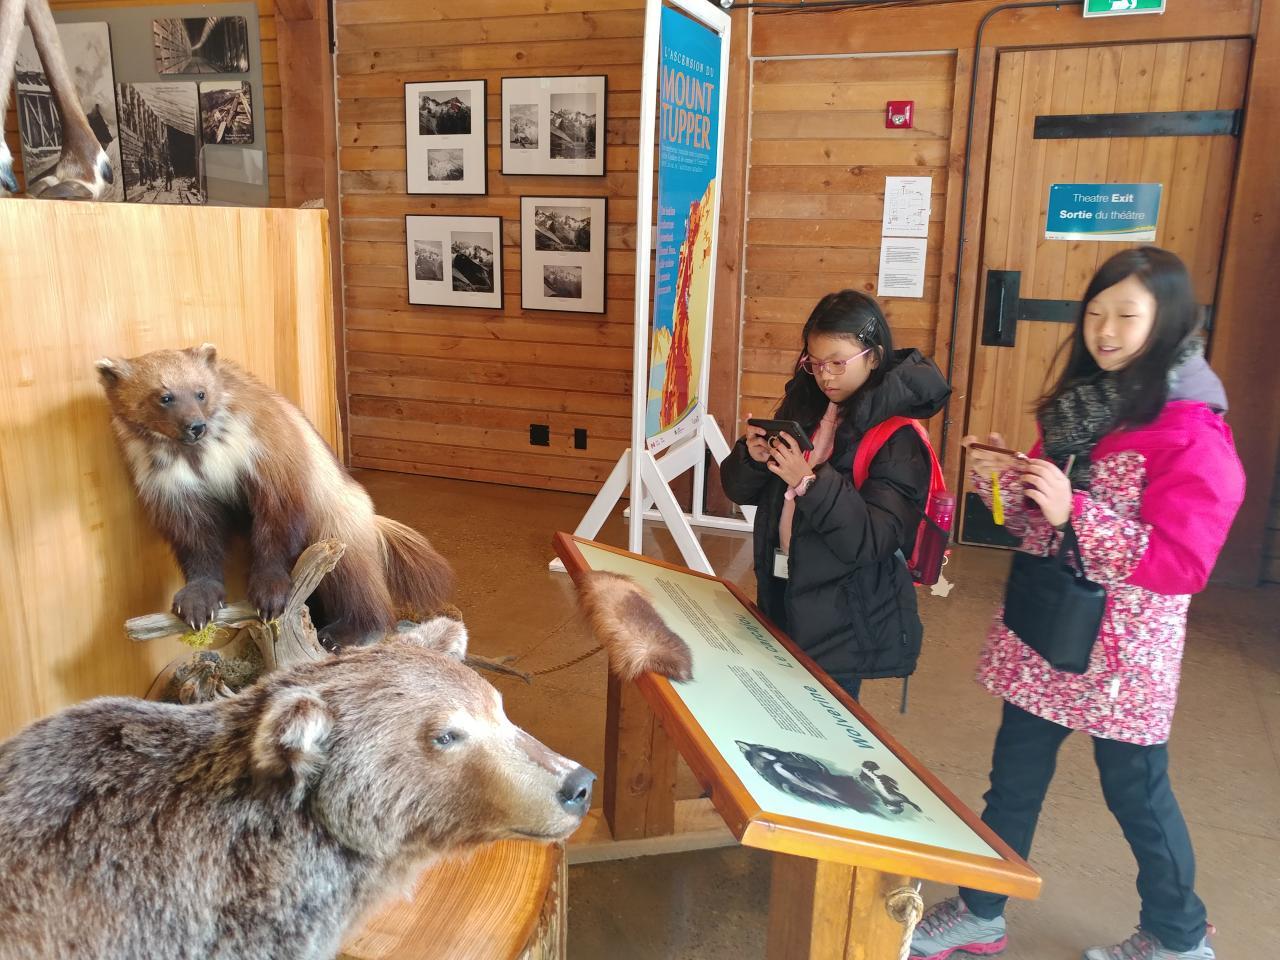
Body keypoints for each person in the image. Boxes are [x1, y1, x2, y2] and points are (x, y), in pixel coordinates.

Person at [909, 247, 1245, 960]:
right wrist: (1002, 480)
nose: (1106, 331)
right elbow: (1034, 526)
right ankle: (981, 911)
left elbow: (1182, 565)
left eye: (1127, 315)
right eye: (1095, 313)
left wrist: (1077, 512)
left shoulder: (1195, 434)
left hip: (1123, 659)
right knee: (1013, 782)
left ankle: (1179, 938)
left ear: (1168, 322)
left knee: (1138, 798)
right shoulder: (1080, 408)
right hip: (1047, 636)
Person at [720, 289, 951, 701]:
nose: (825, 376)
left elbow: (872, 539)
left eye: (838, 362)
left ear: (874, 357)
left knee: (827, 716)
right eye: (814, 363)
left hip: (843, 619)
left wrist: (808, 482)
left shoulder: (898, 439)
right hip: (784, 591)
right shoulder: (806, 407)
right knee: (779, 710)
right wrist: (752, 459)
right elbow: (738, 491)